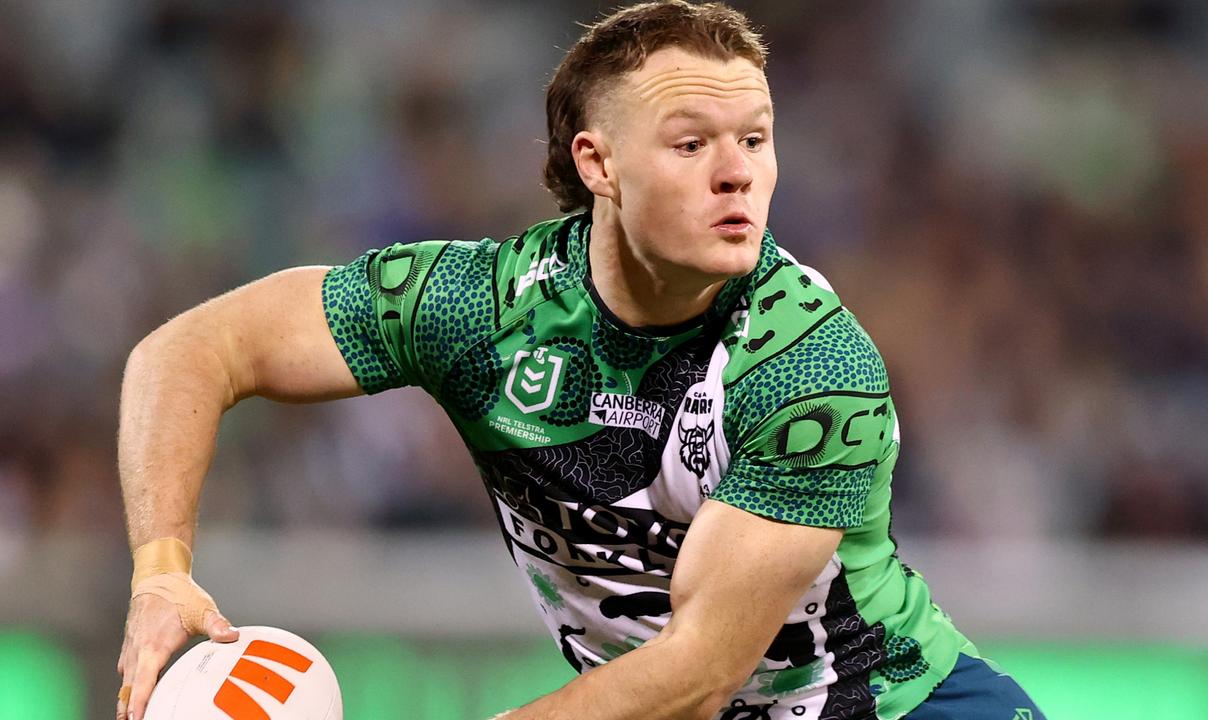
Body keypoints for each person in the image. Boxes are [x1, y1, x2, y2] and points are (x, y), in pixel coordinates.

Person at [116, 2, 1046, 719]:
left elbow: (698, 676)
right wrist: (161, 571)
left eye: (755, 139)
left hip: (890, 706)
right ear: (598, 164)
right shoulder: (477, 309)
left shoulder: (807, 366)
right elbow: (191, 350)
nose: (737, 172)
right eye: (691, 143)